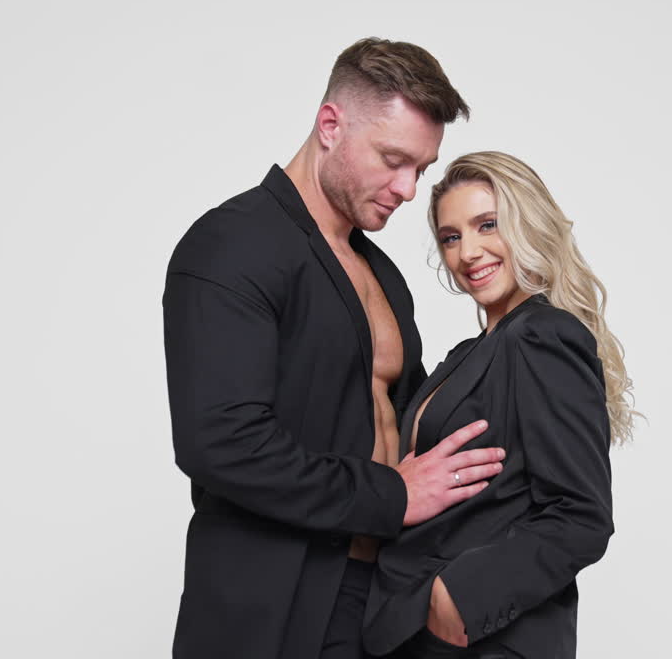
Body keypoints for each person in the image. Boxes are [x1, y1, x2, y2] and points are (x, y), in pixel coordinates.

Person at [162, 39, 507, 659]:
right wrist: (393, 496)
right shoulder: (230, 245)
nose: (407, 189)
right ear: (330, 126)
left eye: (422, 168)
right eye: (393, 159)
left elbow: (414, 427)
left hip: (379, 601)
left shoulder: (380, 274)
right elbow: (219, 443)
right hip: (269, 609)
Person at [364, 152, 639, 659]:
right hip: (411, 627)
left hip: (485, 639)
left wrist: (458, 598)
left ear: (526, 224)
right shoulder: (468, 354)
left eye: (487, 225)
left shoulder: (543, 335)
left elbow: (582, 515)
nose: (469, 251)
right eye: (451, 237)